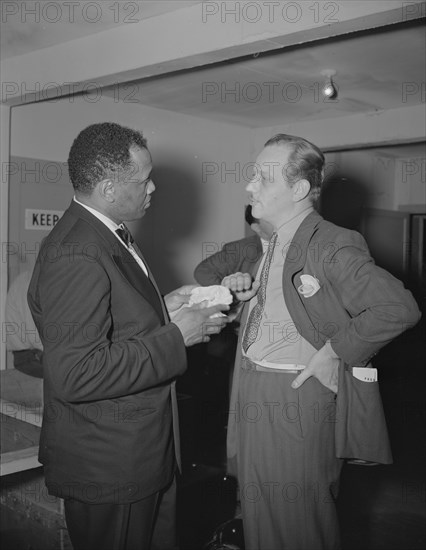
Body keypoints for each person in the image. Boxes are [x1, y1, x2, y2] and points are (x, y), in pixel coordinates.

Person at [27, 122, 230, 550]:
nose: (153, 187)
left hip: (138, 456)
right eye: (144, 180)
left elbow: (115, 323)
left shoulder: (104, 233)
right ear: (107, 188)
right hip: (110, 467)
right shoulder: (78, 252)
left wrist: (165, 306)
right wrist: (178, 336)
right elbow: (76, 373)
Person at [222, 134, 421, 550]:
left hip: (293, 399)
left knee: (295, 526)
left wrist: (334, 352)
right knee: (259, 518)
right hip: (254, 391)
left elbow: (397, 308)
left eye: (262, 177)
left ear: (297, 190)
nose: (249, 185)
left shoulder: (331, 241)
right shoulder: (276, 242)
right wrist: (242, 298)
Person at [194, 204, 273, 286]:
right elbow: (203, 271)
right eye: (270, 219)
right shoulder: (238, 249)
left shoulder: (285, 244)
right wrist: (229, 294)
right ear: (257, 227)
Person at [5, 270, 43, 378]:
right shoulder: (30, 282)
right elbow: (35, 336)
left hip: (35, 355)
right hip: (31, 358)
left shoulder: (30, 278)